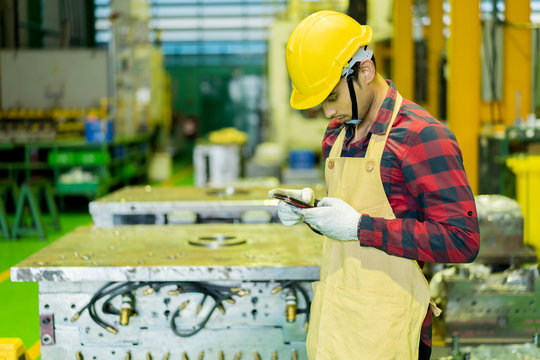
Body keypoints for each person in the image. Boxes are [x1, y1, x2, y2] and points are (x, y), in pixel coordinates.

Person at [270, 10, 480, 360]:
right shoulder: (338, 135)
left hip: (392, 333)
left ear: (364, 71)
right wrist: (314, 216)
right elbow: (355, 226)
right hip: (337, 323)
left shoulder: (422, 138)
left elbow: (462, 240)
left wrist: (358, 227)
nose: (326, 113)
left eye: (332, 96)